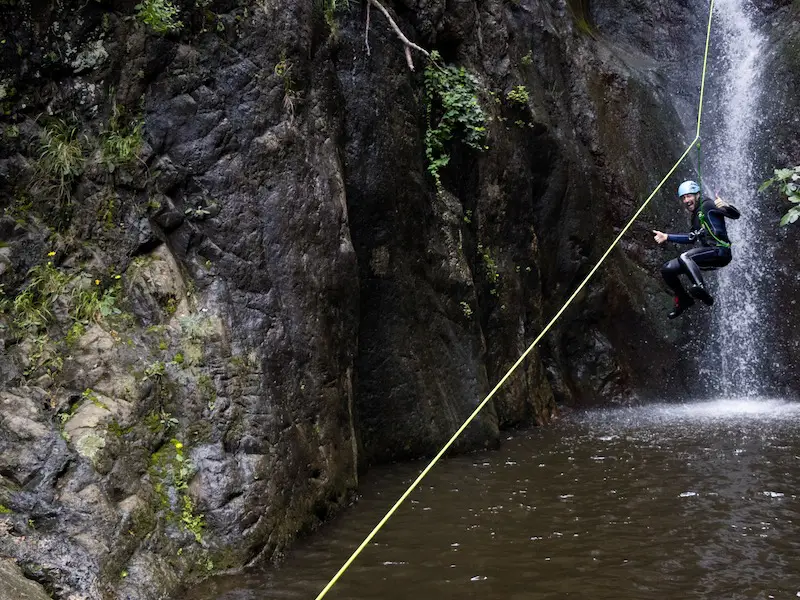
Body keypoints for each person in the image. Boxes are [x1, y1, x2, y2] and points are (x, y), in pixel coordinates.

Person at [652, 180, 741, 319]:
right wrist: (666, 236)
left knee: (685, 257)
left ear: (697, 194)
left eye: (689, 196)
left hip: (721, 251)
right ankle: (683, 300)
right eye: (683, 198)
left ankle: (701, 288)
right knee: (667, 269)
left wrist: (725, 206)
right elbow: (691, 238)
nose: (686, 200)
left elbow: (736, 215)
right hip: (710, 254)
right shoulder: (695, 217)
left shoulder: (708, 204)